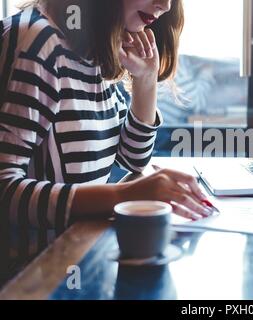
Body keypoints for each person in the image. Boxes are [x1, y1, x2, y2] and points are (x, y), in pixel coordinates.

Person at [0, 0, 213, 283]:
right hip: (33, 278)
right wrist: (123, 196)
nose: (164, 5)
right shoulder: (37, 43)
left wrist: (145, 81)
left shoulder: (92, 46)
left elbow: (132, 159)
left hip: (78, 262)